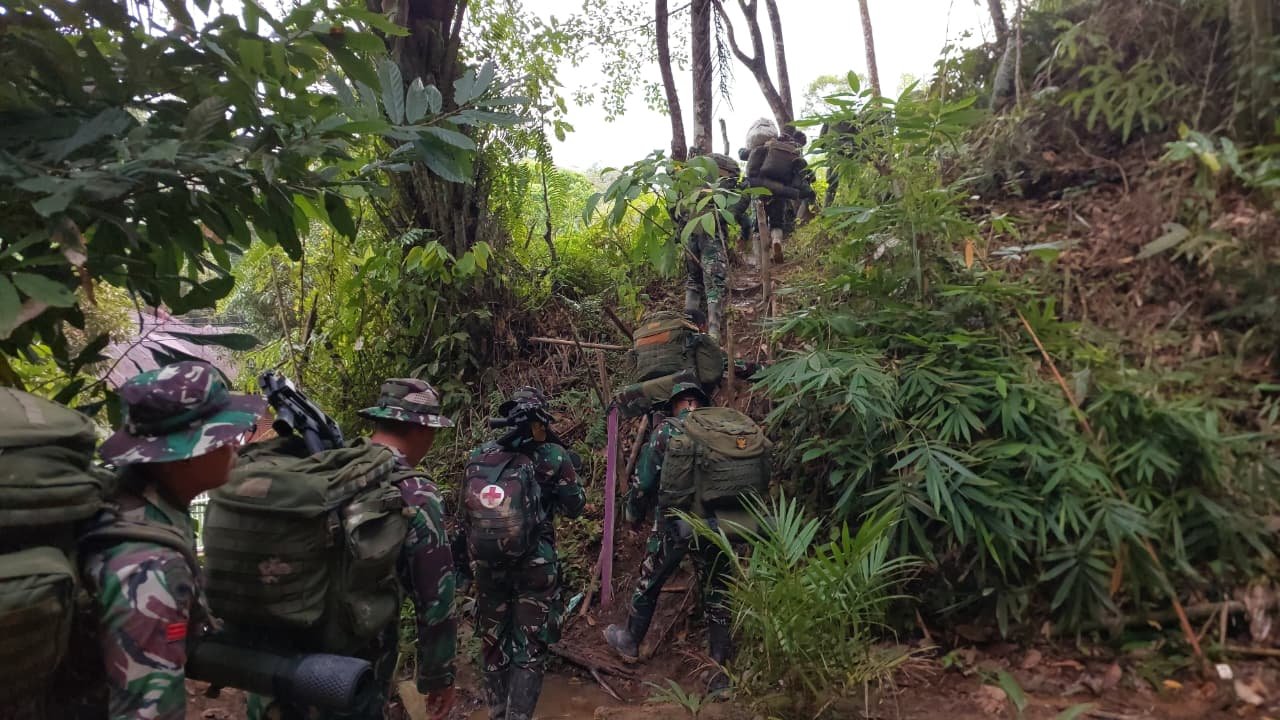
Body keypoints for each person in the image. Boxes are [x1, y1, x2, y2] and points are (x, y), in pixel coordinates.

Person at [85, 360, 265, 719]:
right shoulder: (152, 567)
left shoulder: (134, 503)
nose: (234, 443)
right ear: (177, 457)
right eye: (219, 435)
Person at [457, 387, 586, 720]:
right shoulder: (553, 456)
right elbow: (575, 507)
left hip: (488, 565)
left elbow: (464, 517)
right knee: (529, 646)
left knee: (493, 643)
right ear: (539, 422)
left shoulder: (480, 455)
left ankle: (497, 714)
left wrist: (463, 568)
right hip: (535, 565)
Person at [604, 382, 738, 694]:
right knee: (717, 590)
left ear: (676, 404)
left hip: (676, 523)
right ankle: (719, 669)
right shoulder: (722, 431)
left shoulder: (667, 431)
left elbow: (644, 483)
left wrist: (633, 516)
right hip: (718, 523)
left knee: (651, 578)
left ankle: (630, 640)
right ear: (700, 403)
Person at [357, 378, 459, 720]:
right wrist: (438, 676)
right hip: (358, 665)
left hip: (294, 650)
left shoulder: (332, 468)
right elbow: (436, 597)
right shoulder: (415, 492)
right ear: (420, 429)